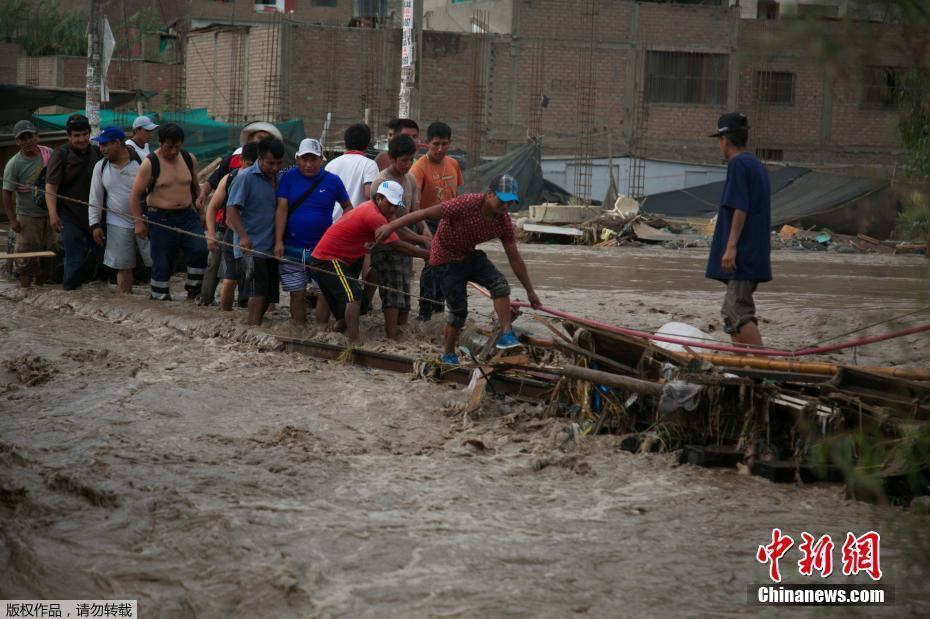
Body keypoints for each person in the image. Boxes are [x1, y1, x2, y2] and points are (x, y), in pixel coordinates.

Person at [375, 174, 541, 365]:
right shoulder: (467, 204)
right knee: (458, 311)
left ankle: (506, 334)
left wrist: (530, 291)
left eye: (510, 203)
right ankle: (448, 353)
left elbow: (515, 259)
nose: (505, 207)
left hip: (468, 255)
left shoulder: (503, 222)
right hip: (444, 258)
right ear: (489, 195)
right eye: (502, 201)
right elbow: (425, 214)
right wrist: (391, 226)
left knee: (500, 285)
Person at [310, 180, 429, 346]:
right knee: (354, 296)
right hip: (328, 259)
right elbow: (398, 245)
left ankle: (330, 336)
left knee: (360, 306)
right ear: (379, 198)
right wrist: (427, 255)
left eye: (396, 206)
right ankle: (354, 343)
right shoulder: (373, 214)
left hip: (335, 259)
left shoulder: (379, 211)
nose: (393, 209)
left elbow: (398, 230)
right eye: (390, 204)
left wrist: (422, 239)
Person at [706, 112, 771, 348]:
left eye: (719, 140)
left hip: (743, 253)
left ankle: (764, 372)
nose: (719, 146)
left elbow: (739, 207)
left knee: (740, 312)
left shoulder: (738, 164)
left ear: (725, 139)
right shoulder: (754, 164)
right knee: (730, 313)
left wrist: (731, 246)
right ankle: (742, 369)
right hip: (753, 251)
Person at [273, 138, 352, 325]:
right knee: (296, 292)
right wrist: (278, 242)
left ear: (321, 160)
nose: (308, 164)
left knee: (323, 292)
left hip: (323, 249)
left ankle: (320, 332)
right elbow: (281, 210)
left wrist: (338, 232)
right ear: (297, 158)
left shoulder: (333, 181)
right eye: (304, 159)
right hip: (292, 246)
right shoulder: (288, 177)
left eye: (313, 159)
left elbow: (349, 208)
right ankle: (299, 329)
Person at [129, 123, 208, 301]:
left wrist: (202, 212)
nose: (173, 151)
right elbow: (134, 196)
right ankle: (159, 296)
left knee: (200, 250)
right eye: (169, 147)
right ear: (160, 142)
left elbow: (195, 187)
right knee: (162, 260)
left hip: (188, 215)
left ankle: (195, 291)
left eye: (177, 147)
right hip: (160, 218)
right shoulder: (150, 163)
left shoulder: (188, 158)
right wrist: (138, 223)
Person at [370, 134, 432, 338]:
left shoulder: (411, 180)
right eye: (403, 160)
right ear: (391, 158)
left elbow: (414, 211)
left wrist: (424, 229)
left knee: (405, 288)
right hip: (387, 242)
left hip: (406, 238)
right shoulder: (381, 183)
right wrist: (421, 242)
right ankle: (391, 336)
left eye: (410, 160)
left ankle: (401, 333)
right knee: (393, 289)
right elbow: (390, 224)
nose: (407, 165)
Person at [225, 137, 285, 326]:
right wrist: (242, 236)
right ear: (260, 159)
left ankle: (255, 324)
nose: (274, 167)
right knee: (256, 291)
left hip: (271, 246)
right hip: (250, 246)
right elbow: (231, 209)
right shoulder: (245, 177)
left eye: (278, 163)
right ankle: (252, 327)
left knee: (269, 294)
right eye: (270, 163)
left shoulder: (279, 178)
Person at [410, 121, 463, 321]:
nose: (440, 149)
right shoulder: (419, 168)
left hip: (449, 221)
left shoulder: (453, 164)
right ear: (427, 143)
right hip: (428, 221)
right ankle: (424, 312)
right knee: (431, 263)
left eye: (444, 144)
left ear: (450, 143)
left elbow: (456, 194)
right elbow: (414, 203)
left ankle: (439, 310)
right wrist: (422, 228)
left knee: (448, 265)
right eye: (436, 144)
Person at [88, 126, 151, 294]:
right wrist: (95, 225)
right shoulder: (100, 167)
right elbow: (95, 198)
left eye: (105, 144)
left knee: (155, 262)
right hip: (116, 222)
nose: (101, 149)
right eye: (100, 145)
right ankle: (126, 301)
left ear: (118, 142)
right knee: (123, 267)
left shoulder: (143, 162)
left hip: (146, 221)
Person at [45, 113, 103, 290]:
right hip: (69, 216)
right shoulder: (60, 154)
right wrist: (53, 215)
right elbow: (51, 187)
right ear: (69, 136)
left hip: (95, 217)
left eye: (85, 134)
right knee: (74, 260)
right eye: (76, 136)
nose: (81, 139)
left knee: (103, 258)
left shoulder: (97, 151)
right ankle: (69, 294)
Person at [204, 142, 259, 311]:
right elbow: (212, 207)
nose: (249, 169)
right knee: (229, 278)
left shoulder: (266, 180)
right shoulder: (230, 178)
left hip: (257, 236)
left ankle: (247, 310)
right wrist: (211, 235)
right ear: (241, 161)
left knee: (254, 280)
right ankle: (224, 313)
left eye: (253, 165)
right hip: (231, 234)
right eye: (247, 164)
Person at [2, 120, 54, 287]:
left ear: (37, 137)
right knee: (25, 257)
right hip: (27, 216)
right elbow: (7, 193)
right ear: (18, 142)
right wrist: (12, 220)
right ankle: (25, 290)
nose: (27, 141)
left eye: (30, 136)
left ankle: (40, 291)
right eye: (23, 138)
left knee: (49, 254)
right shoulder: (14, 164)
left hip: (49, 213)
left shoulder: (49, 154)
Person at [196, 120, 282, 211]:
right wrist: (203, 194)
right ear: (249, 138)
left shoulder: (273, 164)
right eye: (260, 138)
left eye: (266, 139)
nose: (262, 142)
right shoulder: (232, 159)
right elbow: (212, 181)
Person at [325, 122, 380, 219]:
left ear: (345, 143)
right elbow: (369, 194)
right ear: (367, 144)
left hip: (332, 223)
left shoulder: (330, 165)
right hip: (356, 224)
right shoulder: (369, 164)